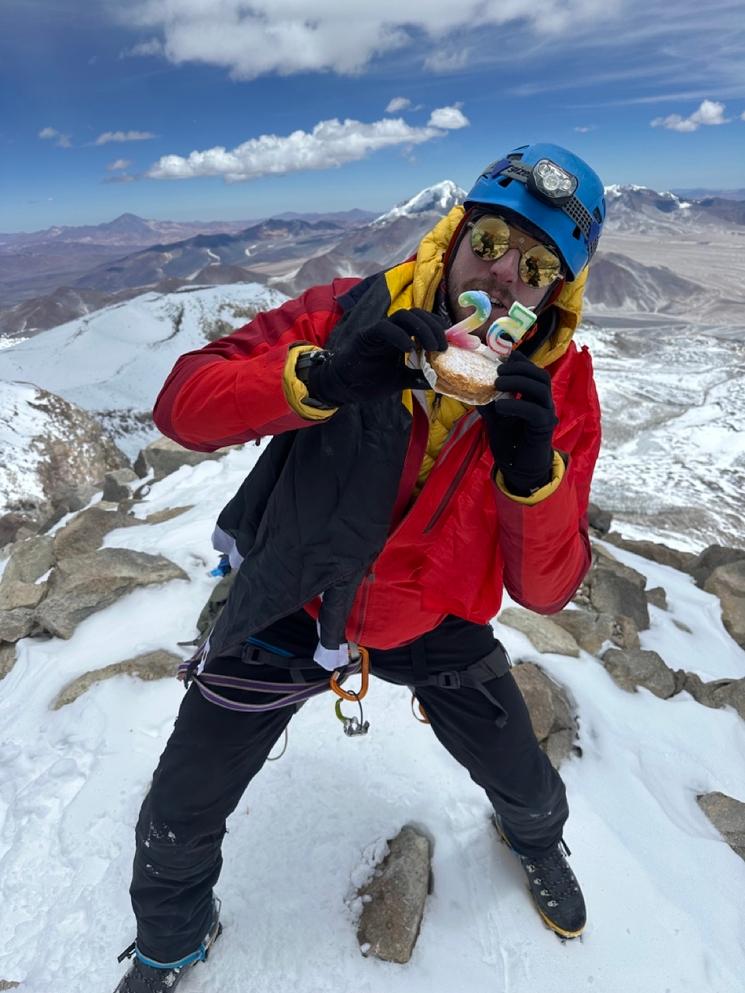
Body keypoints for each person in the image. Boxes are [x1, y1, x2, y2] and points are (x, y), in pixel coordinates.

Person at [114, 143, 605, 992]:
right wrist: (326, 377)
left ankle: (536, 841)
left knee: (521, 774)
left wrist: (534, 479)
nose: (504, 277)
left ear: (558, 292)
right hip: (296, 598)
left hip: (431, 614)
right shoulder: (350, 313)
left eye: (535, 267)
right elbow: (184, 403)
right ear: (452, 235)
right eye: (488, 241)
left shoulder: (557, 393)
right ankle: (168, 941)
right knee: (181, 803)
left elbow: (547, 589)